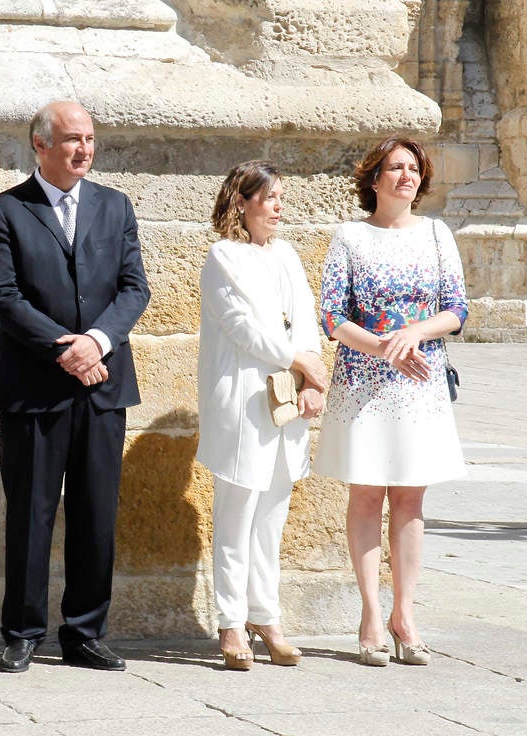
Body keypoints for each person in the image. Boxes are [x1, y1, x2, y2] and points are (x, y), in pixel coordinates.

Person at [0, 100, 150, 673]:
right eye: (73, 139)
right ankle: (22, 631)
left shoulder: (115, 206)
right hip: (35, 388)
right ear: (41, 144)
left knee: (95, 511)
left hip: (104, 385)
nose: (84, 149)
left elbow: (134, 290)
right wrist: (67, 350)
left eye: (91, 139)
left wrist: (96, 343)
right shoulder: (4, 210)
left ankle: (84, 632)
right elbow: (2, 297)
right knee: (30, 511)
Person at [314, 136, 468, 666]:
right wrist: (383, 346)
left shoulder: (436, 234)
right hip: (362, 383)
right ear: (374, 179)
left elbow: (457, 309)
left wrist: (413, 335)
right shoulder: (350, 237)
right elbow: (332, 316)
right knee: (366, 495)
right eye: (395, 168)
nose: (407, 176)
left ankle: (405, 615)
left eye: (413, 168)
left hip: (419, 383)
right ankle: (371, 617)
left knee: (409, 499)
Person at [197, 160, 328, 670]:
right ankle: (231, 622)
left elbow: (306, 320)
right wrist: (303, 365)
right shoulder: (223, 257)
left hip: (288, 397)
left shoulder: (287, 255)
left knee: (271, 516)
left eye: (280, 198)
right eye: (269, 197)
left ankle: (265, 615)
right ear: (242, 202)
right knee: (237, 513)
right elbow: (243, 328)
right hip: (244, 400)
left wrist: (310, 380)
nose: (278, 207)